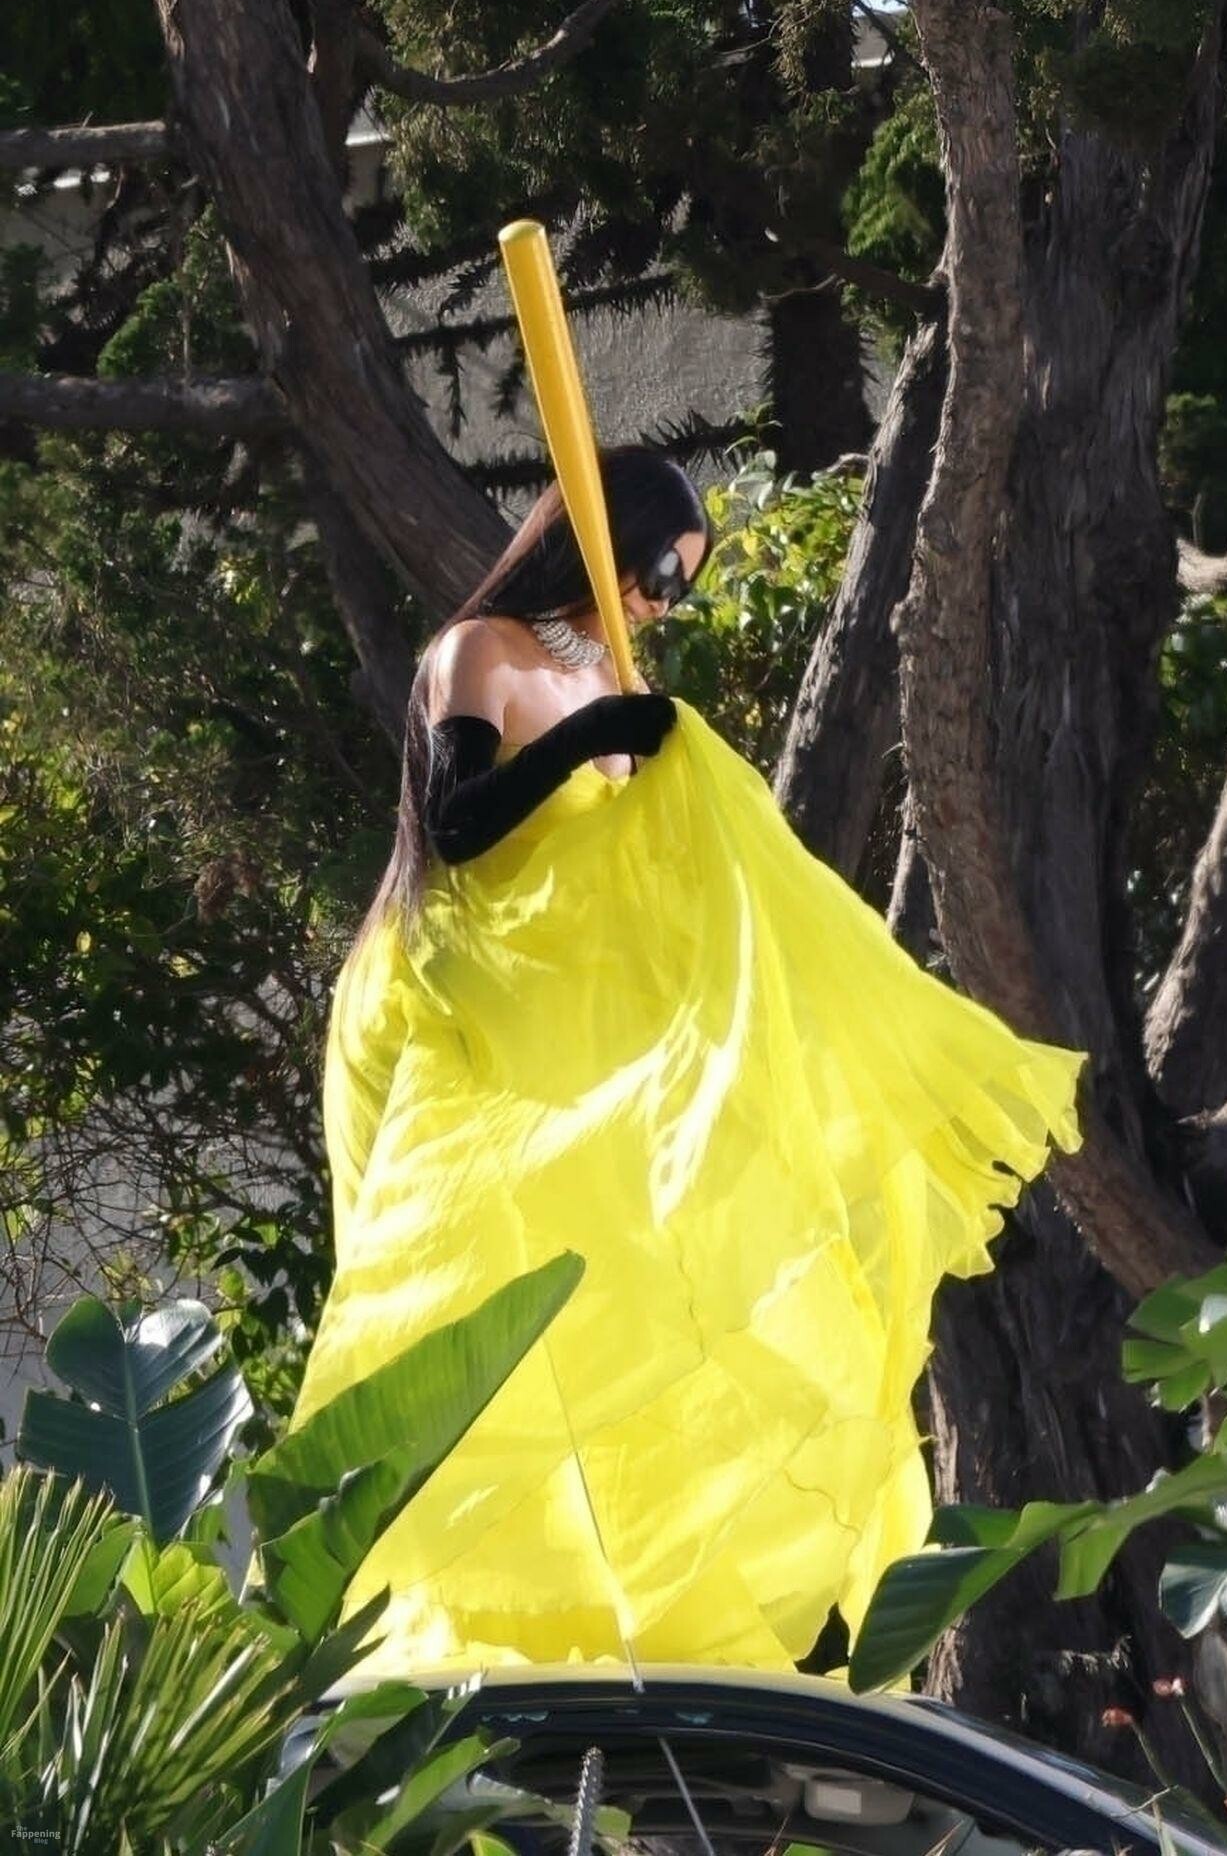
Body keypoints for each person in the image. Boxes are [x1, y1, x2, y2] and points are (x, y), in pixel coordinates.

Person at [289, 442, 1088, 1682]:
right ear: (601, 543)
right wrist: (591, 737)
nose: (665, 600)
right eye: (660, 571)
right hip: (470, 1011)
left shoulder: (608, 668)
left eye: (683, 584)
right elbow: (456, 827)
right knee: (468, 1285)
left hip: (580, 1026)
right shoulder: (478, 653)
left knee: (645, 1281)